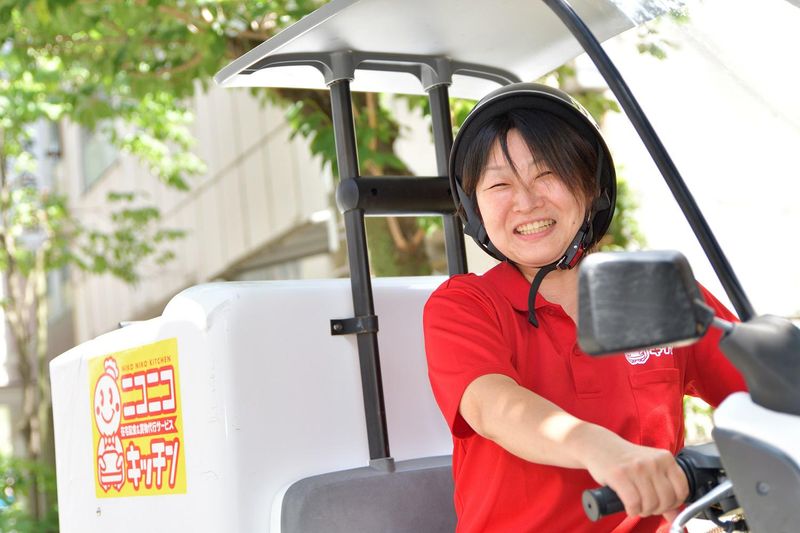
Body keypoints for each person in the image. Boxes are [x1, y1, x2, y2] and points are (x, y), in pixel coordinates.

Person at [423, 82, 746, 532]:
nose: (526, 202)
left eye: (546, 174)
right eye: (499, 184)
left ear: (592, 186)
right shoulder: (465, 305)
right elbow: (492, 407)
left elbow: (763, 386)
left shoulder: (655, 291)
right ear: (473, 208)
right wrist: (602, 449)